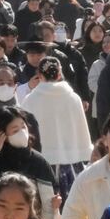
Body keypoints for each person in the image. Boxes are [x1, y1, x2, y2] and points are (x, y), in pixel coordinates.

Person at [18, 56, 92, 198]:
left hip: (40, 163)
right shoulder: (73, 98)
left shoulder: (30, 100)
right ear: (59, 74)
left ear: (39, 75)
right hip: (71, 161)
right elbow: (82, 131)